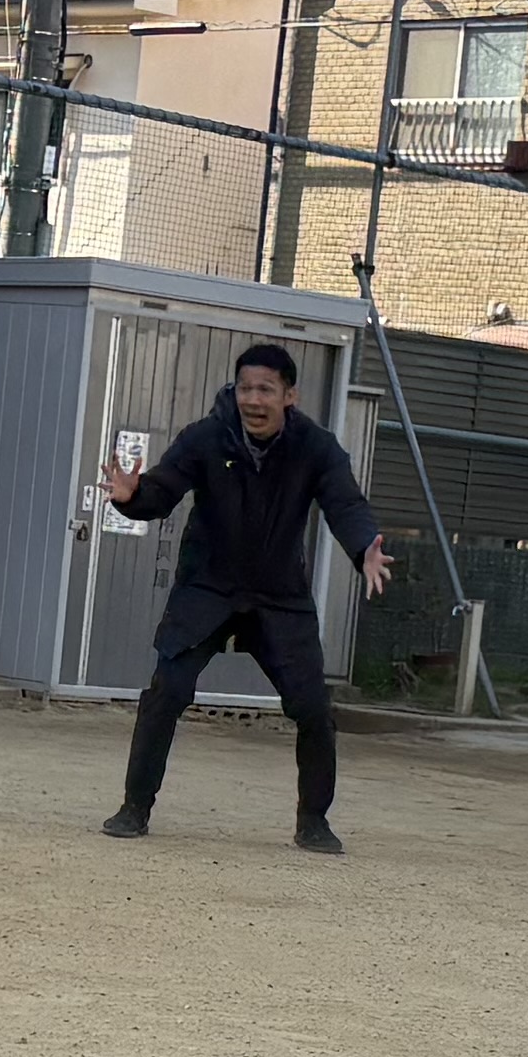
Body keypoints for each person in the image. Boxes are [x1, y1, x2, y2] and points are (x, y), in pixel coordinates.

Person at [96, 338, 393, 855]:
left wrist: (365, 544)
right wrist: (132, 497)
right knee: (166, 691)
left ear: (289, 396)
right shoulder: (206, 438)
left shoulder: (316, 448)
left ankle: (313, 821)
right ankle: (133, 809)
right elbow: (162, 489)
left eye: (266, 390)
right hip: (207, 587)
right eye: (245, 389)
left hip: (279, 595)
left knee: (314, 708)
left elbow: (344, 502)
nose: (254, 400)